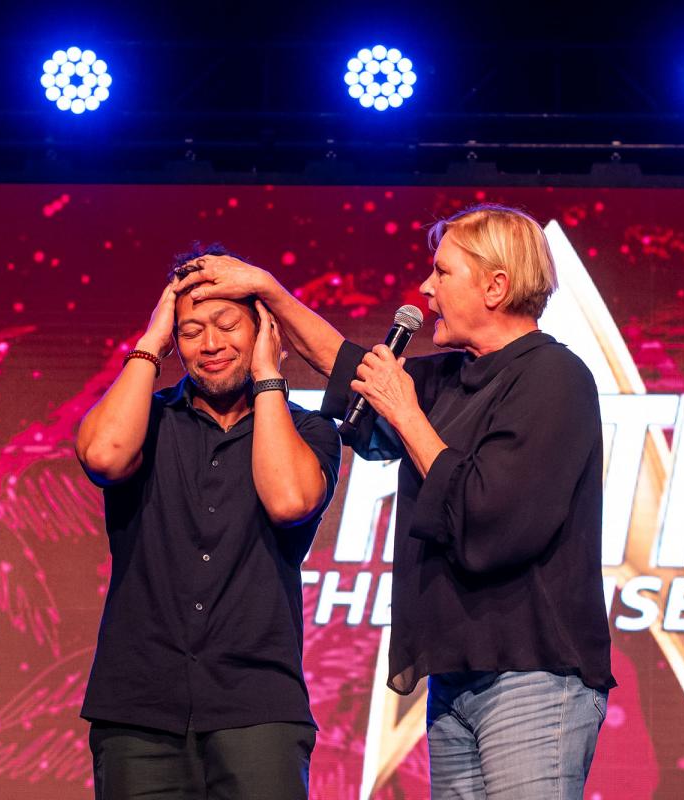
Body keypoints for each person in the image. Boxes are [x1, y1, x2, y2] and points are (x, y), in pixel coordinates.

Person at [173, 205, 614, 799]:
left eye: (443, 272)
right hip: (455, 678)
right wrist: (268, 291)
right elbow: (343, 365)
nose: (426, 289)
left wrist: (406, 413)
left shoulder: (553, 377)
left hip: (532, 675)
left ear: (495, 286)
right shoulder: (451, 378)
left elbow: (493, 517)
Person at [74, 245, 341, 800]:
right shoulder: (146, 420)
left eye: (227, 325)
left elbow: (289, 500)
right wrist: (151, 342)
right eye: (191, 331)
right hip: (139, 709)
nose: (211, 344)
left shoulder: (307, 431)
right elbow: (102, 456)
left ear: (264, 331)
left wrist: (267, 375)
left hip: (257, 707)